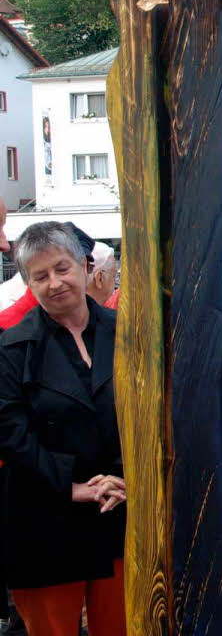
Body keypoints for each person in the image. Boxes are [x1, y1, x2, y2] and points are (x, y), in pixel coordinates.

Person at [0, 221, 126, 636]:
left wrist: (125, 477)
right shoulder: (12, 348)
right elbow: (10, 434)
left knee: (125, 626)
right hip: (45, 519)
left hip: (120, 510)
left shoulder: (127, 333)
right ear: (28, 284)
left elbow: (153, 414)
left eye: (62, 268)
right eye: (40, 275)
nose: (55, 283)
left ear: (85, 266)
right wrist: (71, 486)